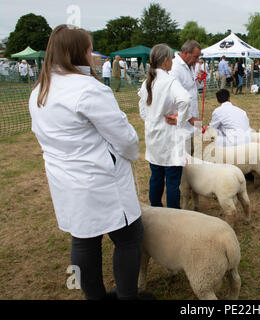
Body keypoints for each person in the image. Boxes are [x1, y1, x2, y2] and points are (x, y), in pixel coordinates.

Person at [29, 25, 143, 300]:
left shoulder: (39, 90)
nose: (93, 55)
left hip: (66, 180)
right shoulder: (88, 89)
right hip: (99, 180)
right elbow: (124, 136)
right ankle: (128, 296)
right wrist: (128, 155)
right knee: (129, 237)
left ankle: (96, 296)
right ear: (79, 52)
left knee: (83, 238)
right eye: (90, 49)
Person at [138, 44, 193, 209]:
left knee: (156, 176)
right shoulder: (170, 81)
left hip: (154, 137)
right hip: (170, 138)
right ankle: (173, 213)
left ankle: (155, 208)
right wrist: (179, 120)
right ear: (166, 61)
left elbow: (142, 109)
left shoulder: (148, 82)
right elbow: (185, 99)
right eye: (171, 58)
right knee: (172, 180)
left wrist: (151, 119)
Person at [169, 40, 204, 153]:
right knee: (184, 155)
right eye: (195, 56)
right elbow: (174, 97)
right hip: (183, 121)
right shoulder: (175, 68)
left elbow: (191, 87)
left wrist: (199, 79)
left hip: (192, 117)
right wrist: (189, 118)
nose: (197, 60)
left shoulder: (189, 66)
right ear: (185, 53)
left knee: (194, 151)